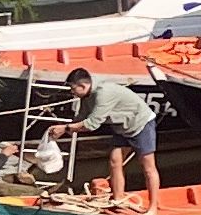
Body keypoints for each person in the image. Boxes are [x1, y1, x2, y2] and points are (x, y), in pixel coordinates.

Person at [67, 68, 160, 199]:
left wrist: (66, 128)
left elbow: (93, 124)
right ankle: (118, 198)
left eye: (73, 89)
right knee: (115, 161)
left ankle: (153, 206)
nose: (72, 92)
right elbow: (82, 117)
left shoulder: (103, 93)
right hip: (122, 126)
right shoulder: (86, 96)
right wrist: (64, 128)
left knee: (148, 167)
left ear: (82, 86)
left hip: (140, 123)